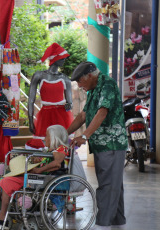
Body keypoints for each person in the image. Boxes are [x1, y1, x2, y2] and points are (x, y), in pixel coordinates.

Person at [67, 62, 128, 230]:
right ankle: (117, 221)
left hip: (112, 143)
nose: (79, 85)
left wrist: (84, 136)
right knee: (114, 184)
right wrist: (64, 134)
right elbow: (83, 116)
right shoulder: (93, 90)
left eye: (80, 81)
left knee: (108, 185)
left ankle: (103, 224)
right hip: (102, 145)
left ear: (90, 76)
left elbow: (102, 112)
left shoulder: (107, 84)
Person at [0, 125, 69, 229]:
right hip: (36, 176)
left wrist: (39, 169)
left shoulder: (62, 148)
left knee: (6, 182)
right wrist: (38, 160)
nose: (45, 139)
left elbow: (57, 163)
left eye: (47, 136)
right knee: (5, 181)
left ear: (54, 137)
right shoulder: (50, 150)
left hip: (42, 179)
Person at [28, 43, 73, 139]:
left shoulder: (65, 78)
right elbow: (31, 100)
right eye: (62, 57)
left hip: (62, 116)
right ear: (55, 58)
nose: (64, 59)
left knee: (61, 145)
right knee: (44, 144)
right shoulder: (39, 75)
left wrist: (69, 105)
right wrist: (30, 120)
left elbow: (70, 103)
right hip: (45, 116)